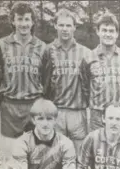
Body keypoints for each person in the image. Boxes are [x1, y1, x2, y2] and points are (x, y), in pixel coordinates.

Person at [0, 1, 47, 162]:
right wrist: (3, 103)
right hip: (10, 105)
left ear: (32, 22)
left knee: (37, 155)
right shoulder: (1, 45)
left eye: (27, 20)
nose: (23, 24)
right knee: (12, 157)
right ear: (13, 21)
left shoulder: (42, 46)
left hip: (34, 104)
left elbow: (46, 80)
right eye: (20, 19)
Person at [42, 8, 91, 154]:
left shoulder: (85, 52)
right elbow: (43, 83)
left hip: (78, 111)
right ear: (55, 26)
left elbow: (90, 83)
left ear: (74, 27)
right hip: (56, 111)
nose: (65, 29)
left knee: (79, 157)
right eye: (61, 25)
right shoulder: (47, 50)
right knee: (56, 157)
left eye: (68, 25)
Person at [80, 12, 120, 135]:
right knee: (98, 151)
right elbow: (85, 87)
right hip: (98, 116)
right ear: (98, 31)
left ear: (117, 34)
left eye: (111, 31)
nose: (108, 34)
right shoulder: (88, 58)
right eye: (104, 30)